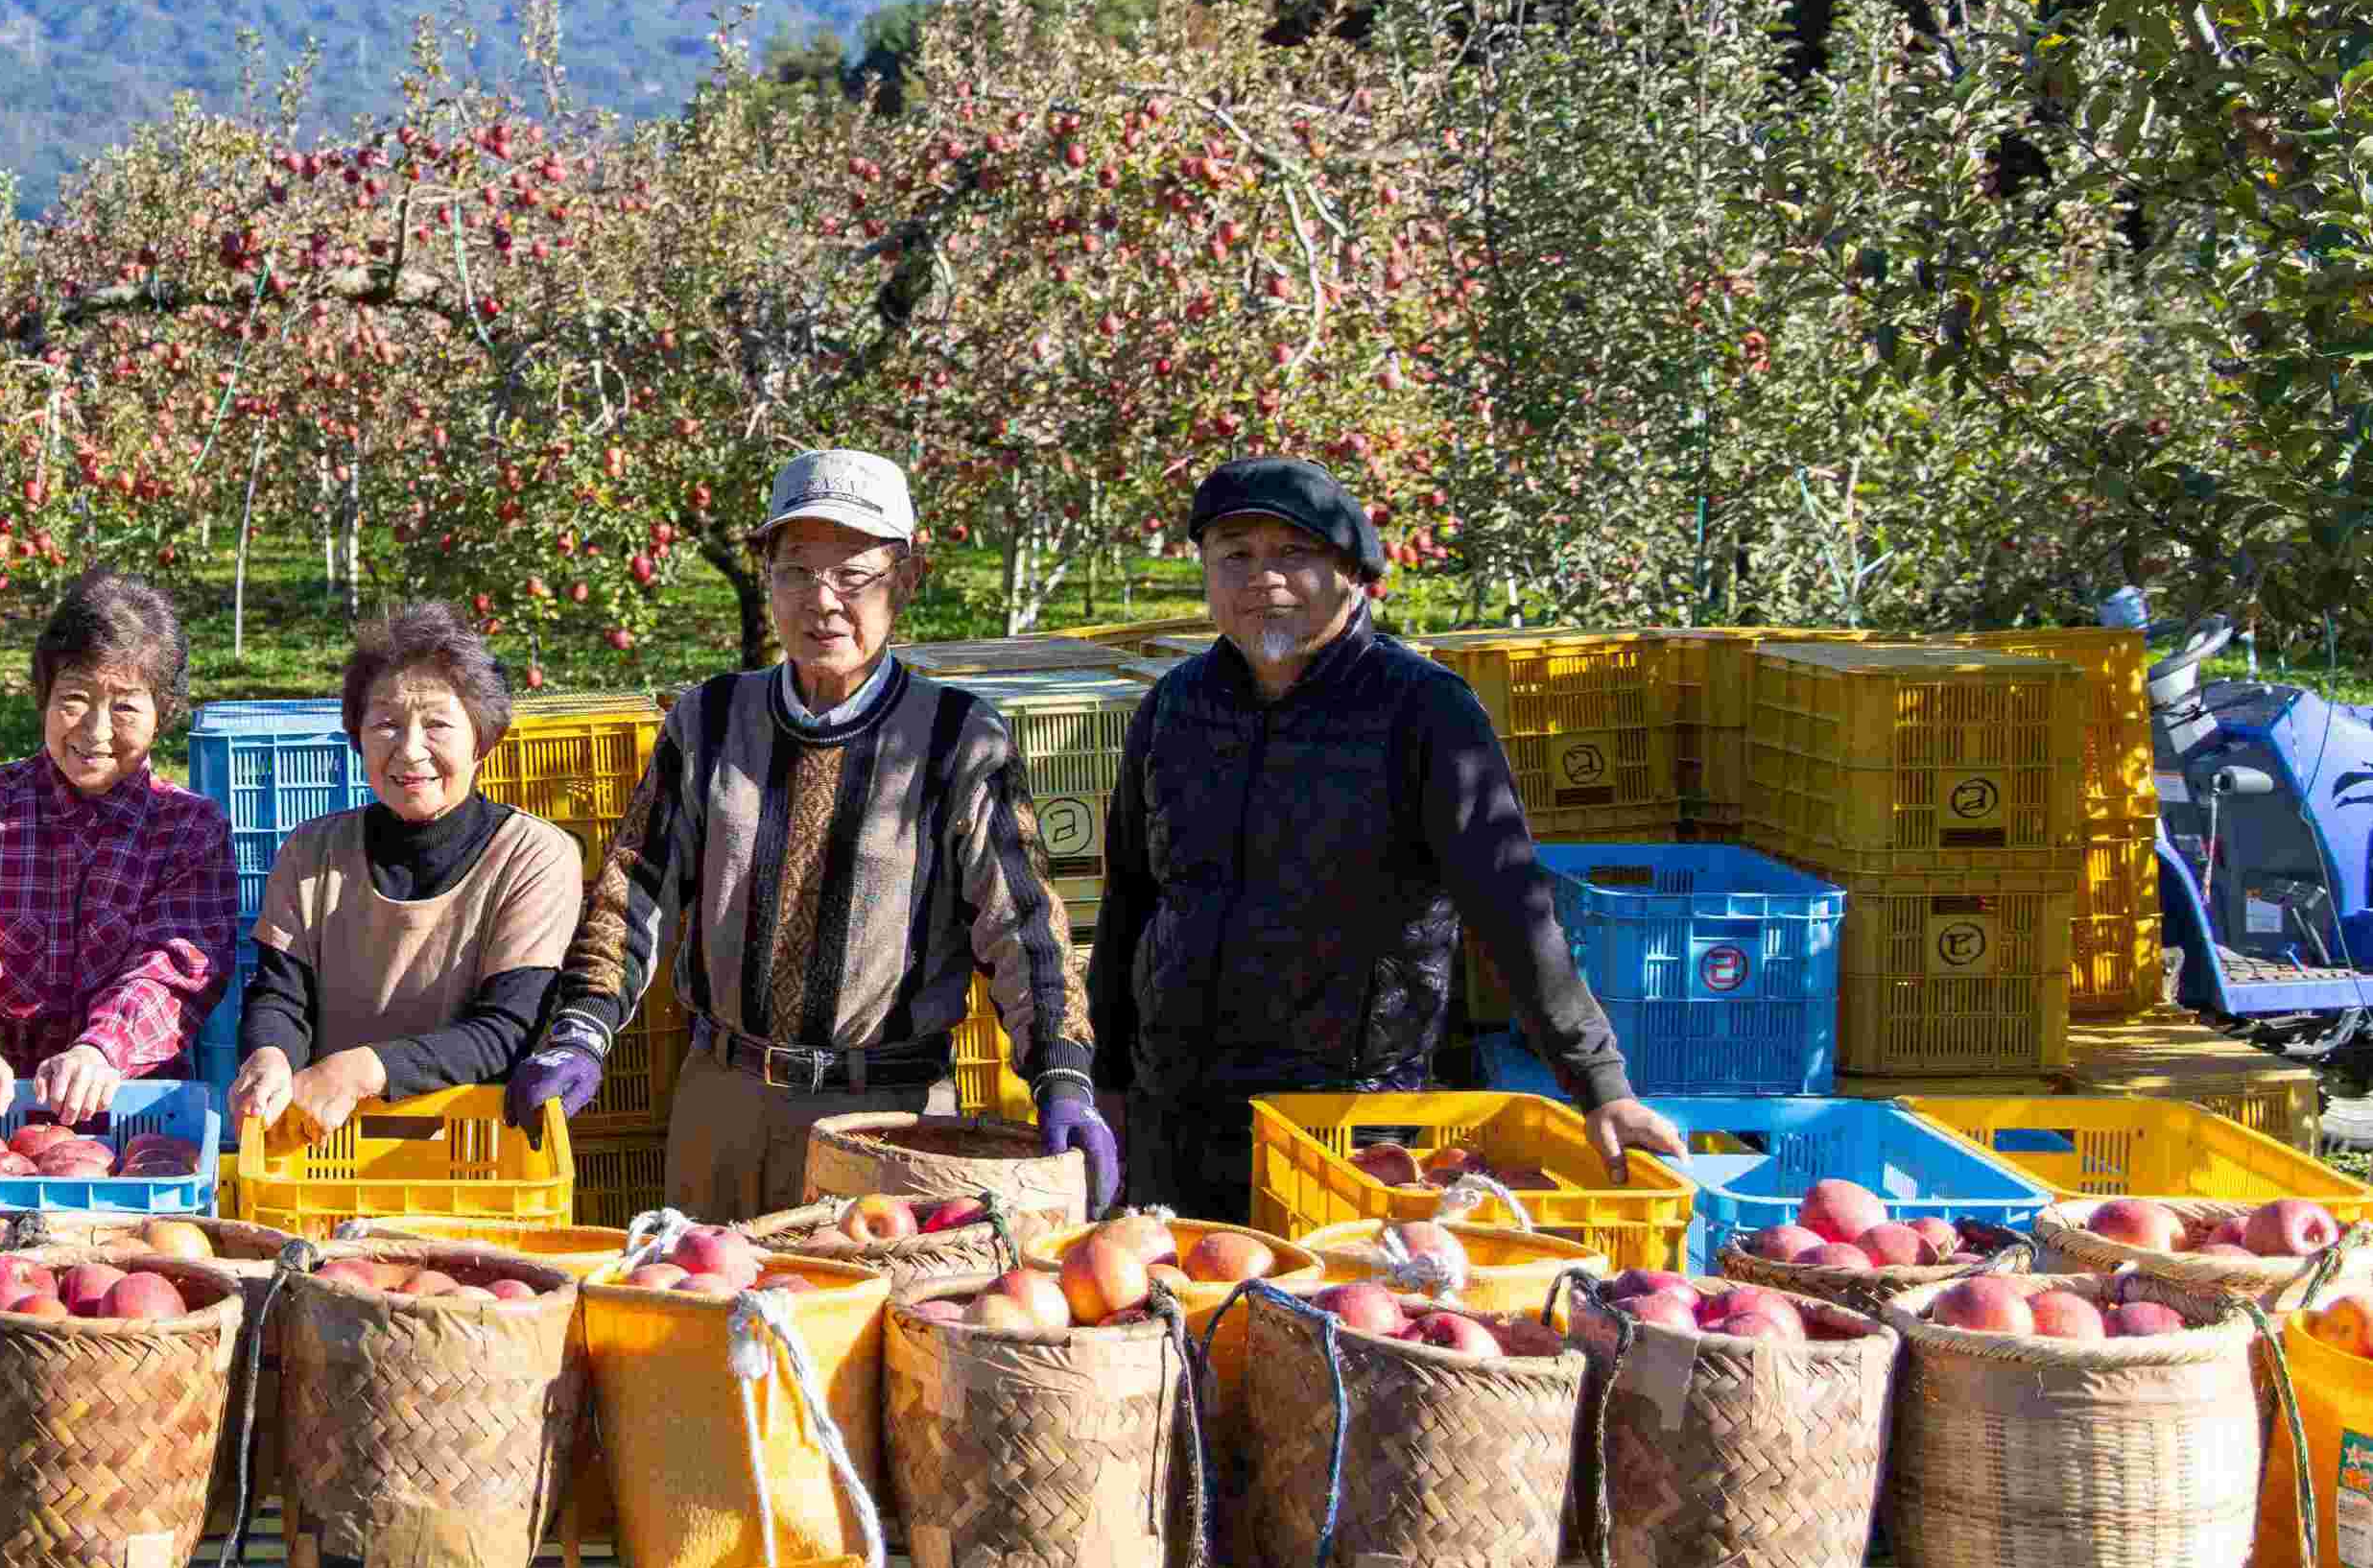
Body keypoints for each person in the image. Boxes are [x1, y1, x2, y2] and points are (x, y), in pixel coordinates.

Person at [1083, 455, 1680, 1227]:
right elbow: (1132, 897)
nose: (1264, 578)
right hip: (1180, 1112)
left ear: (1353, 572)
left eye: (1293, 553)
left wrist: (1601, 1084)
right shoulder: (1174, 709)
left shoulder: (1422, 711)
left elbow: (1510, 904)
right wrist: (1106, 1079)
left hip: (1344, 1128)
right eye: (1236, 556)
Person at [510, 448, 1108, 1218]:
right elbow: (634, 888)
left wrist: (1063, 1074)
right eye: (796, 571)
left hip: (890, 1122)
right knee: (701, 1309)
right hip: (725, 1101)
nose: (823, 600)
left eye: (854, 574)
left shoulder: (958, 739)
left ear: (907, 581)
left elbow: (1022, 926)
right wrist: (578, 1033)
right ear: (768, 581)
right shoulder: (711, 720)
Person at [228, 600, 587, 1147]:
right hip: (326, 1147)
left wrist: (363, 1070)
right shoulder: (312, 852)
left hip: (473, 1151)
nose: (409, 749)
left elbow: (508, 1030)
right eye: (386, 725)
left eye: (437, 724)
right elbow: (280, 996)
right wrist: (269, 1055)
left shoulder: (534, 856)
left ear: (482, 739)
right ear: (358, 736)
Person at [0, 571, 241, 1113]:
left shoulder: (189, 828)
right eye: (74, 699)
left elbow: (175, 965)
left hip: (131, 1097)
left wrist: (103, 1050)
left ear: (163, 714)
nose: (96, 730)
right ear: (43, 696)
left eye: (125, 706)